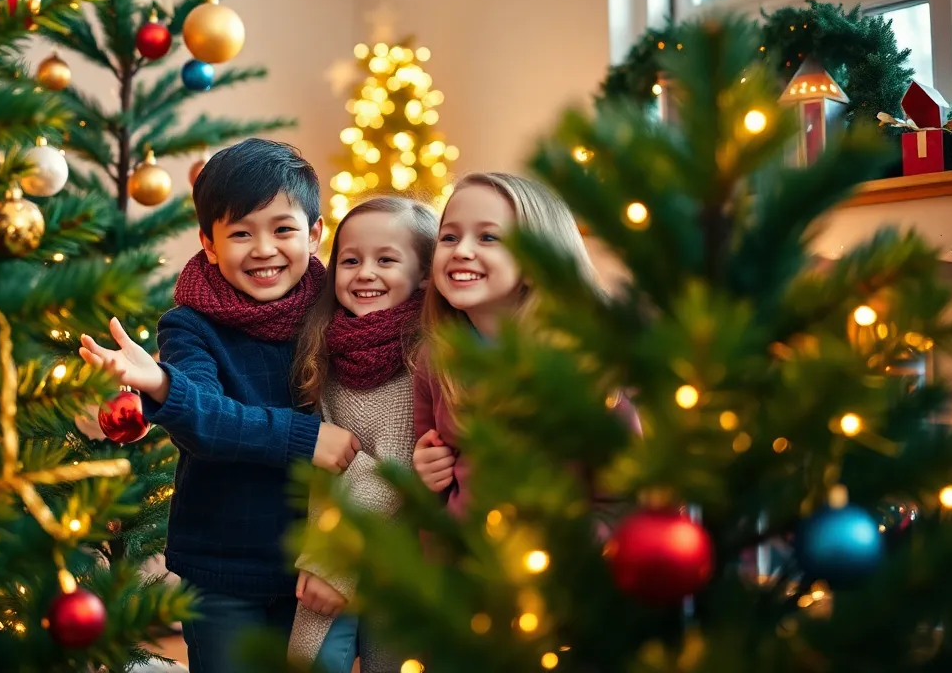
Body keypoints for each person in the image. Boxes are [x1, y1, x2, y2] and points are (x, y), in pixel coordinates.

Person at [78, 139, 361, 673]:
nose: (263, 249)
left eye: (282, 229)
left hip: (318, 568)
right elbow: (205, 420)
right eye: (240, 233)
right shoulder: (189, 326)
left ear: (316, 234)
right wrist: (163, 384)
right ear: (208, 243)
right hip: (222, 570)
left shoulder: (336, 313)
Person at [411, 172, 632, 512]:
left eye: (488, 237)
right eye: (450, 237)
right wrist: (427, 475)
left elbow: (624, 499)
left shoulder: (585, 359)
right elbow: (435, 494)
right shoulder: (435, 358)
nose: (462, 251)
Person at [287, 197, 438, 673]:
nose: (364, 273)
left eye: (386, 260)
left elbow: (395, 466)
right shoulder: (328, 346)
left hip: (391, 560)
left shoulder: (420, 355)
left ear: (425, 274)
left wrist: (329, 562)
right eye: (350, 260)